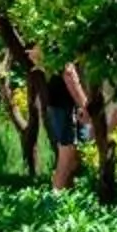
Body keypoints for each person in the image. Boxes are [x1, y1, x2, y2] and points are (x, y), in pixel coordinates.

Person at [41, 64, 90, 192]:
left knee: (72, 159)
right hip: (64, 107)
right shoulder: (63, 51)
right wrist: (84, 105)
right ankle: (53, 201)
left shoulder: (53, 50)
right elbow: (69, 74)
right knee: (66, 157)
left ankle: (68, 198)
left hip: (60, 106)